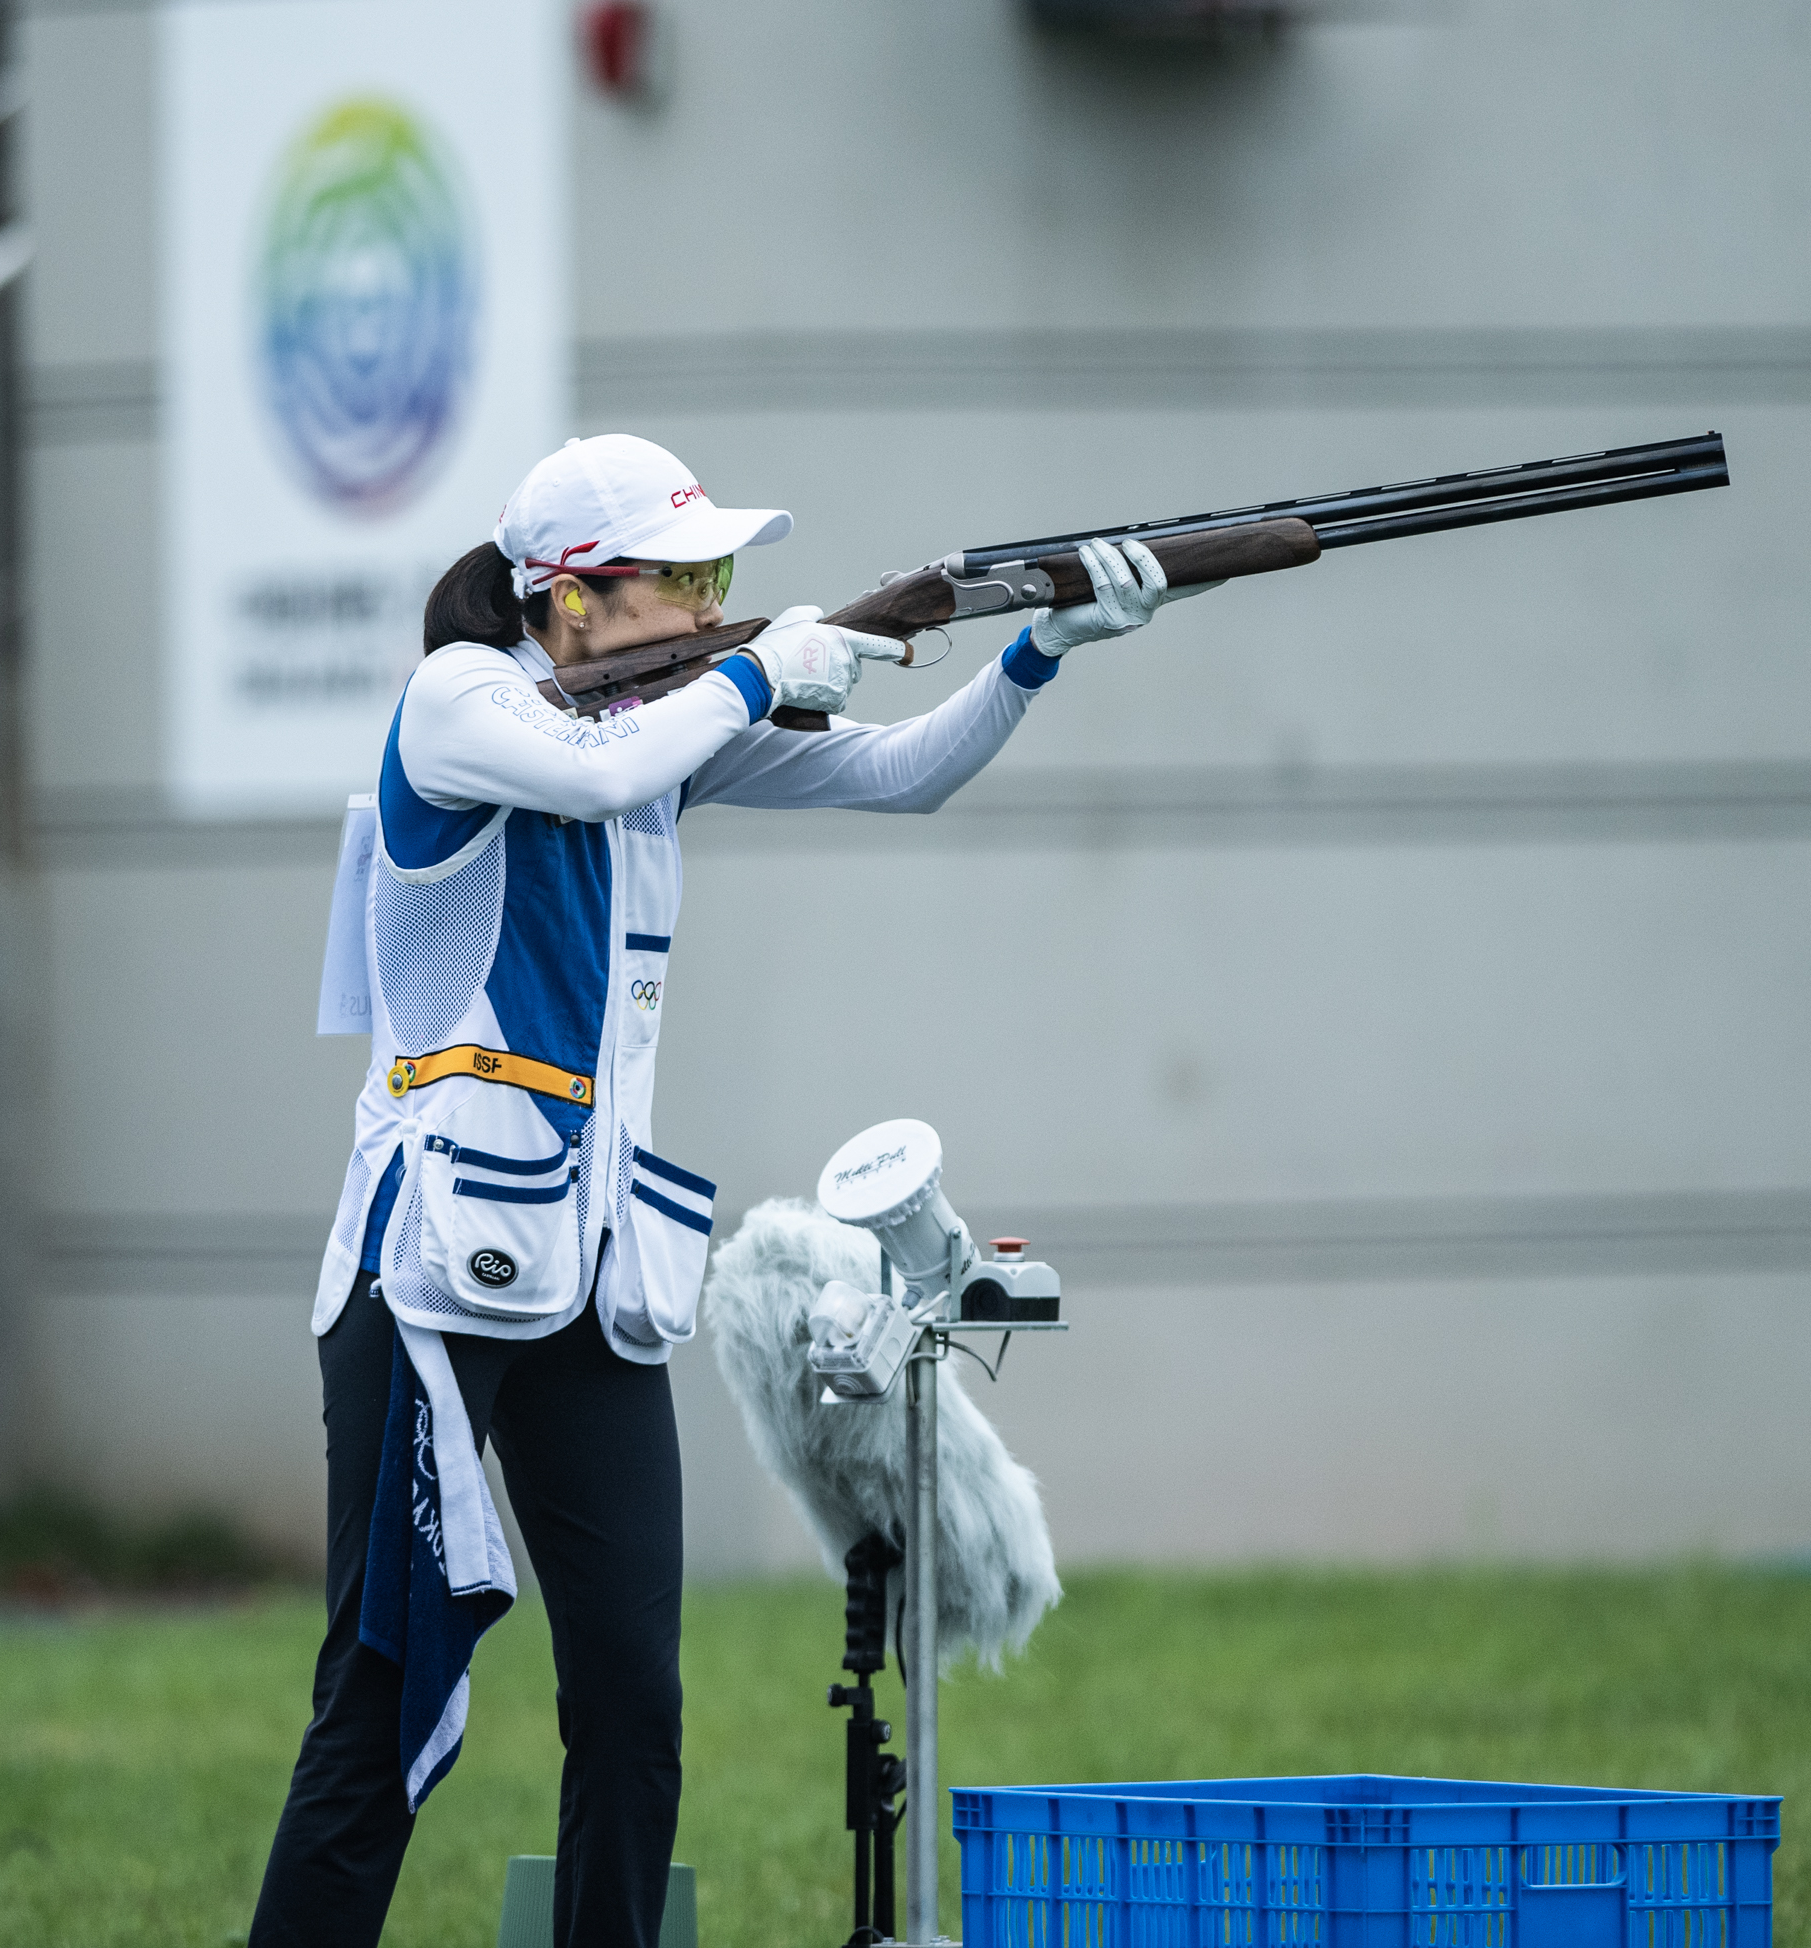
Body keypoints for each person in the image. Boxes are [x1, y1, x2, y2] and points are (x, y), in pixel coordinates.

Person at [249, 434, 1202, 1948]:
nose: (714, 599)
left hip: (598, 1271)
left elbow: (901, 774)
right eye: (682, 577)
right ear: (568, 596)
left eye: (720, 577)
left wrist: (1029, 653)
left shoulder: (655, 714)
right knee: (378, 1695)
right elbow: (605, 763)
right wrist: (771, 665)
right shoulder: (466, 697)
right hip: (433, 1264)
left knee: (635, 1703)